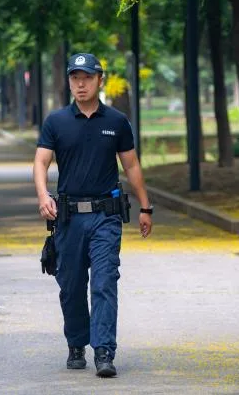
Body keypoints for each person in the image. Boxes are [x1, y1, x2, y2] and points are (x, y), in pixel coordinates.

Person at [33, 52, 153, 378]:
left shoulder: (116, 121)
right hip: (68, 218)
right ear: (69, 82)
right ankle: (76, 343)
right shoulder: (56, 122)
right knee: (71, 285)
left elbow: (131, 165)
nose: (81, 84)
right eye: (75, 78)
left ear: (100, 80)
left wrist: (145, 207)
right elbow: (41, 161)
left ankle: (104, 351)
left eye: (87, 77)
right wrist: (43, 195)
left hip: (105, 216)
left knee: (104, 282)